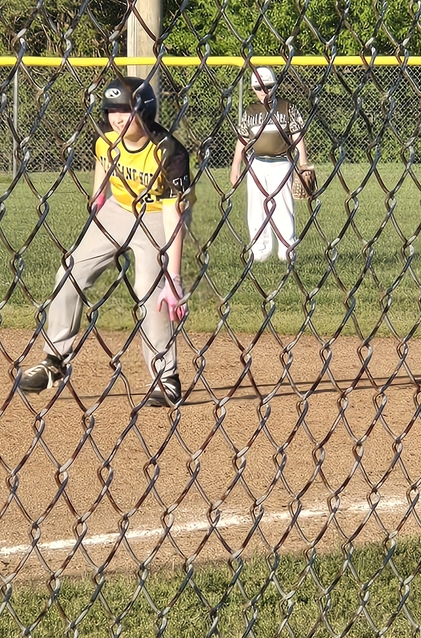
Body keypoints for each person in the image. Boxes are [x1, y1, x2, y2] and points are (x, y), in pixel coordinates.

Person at [19, 75, 193, 407]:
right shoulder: (106, 137)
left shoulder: (169, 151)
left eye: (125, 110)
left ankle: (166, 377)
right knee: (69, 272)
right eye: (112, 110)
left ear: (144, 111)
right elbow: (104, 160)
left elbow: (174, 215)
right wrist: (99, 195)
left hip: (157, 215)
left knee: (150, 290)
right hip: (118, 208)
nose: (117, 118)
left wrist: (174, 277)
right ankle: (54, 361)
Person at [229, 66, 310, 263]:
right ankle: (259, 250)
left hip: (282, 163)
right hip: (256, 164)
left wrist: (303, 164)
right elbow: (242, 140)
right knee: (256, 208)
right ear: (252, 88)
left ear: (275, 86)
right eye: (259, 88)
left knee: (284, 206)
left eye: (268, 86)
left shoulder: (286, 107)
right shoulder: (250, 111)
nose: (264, 91)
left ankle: (287, 249)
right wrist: (235, 166)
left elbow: (298, 136)